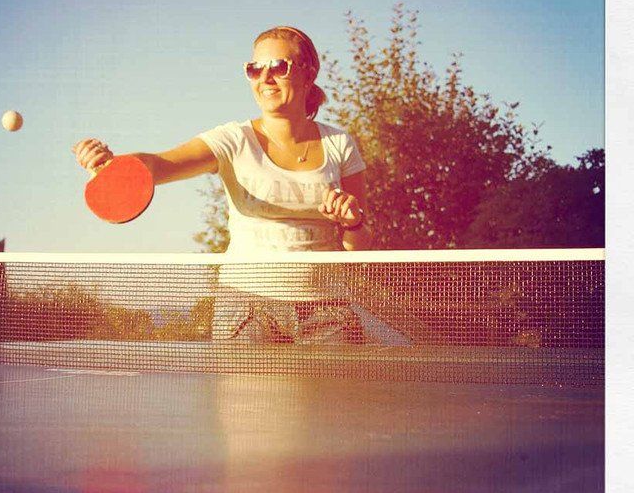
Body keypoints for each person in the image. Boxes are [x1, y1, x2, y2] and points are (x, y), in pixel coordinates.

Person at [73, 26, 409, 347]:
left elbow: (358, 247)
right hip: (247, 308)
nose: (265, 78)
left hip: (327, 309)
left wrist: (353, 221)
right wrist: (113, 165)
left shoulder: (339, 144)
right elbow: (160, 164)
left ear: (308, 74)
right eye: (254, 69)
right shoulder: (233, 140)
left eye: (279, 66)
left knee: (335, 392)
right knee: (246, 393)